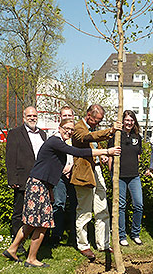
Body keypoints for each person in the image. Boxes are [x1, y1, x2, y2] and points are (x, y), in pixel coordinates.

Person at [3, 119, 121, 267]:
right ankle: (31, 259)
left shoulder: (58, 143)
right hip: (38, 185)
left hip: (42, 184)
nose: (69, 131)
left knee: (31, 223)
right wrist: (106, 151)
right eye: (66, 128)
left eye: (71, 130)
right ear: (59, 128)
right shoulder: (55, 141)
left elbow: (49, 167)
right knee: (42, 224)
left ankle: (12, 249)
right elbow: (78, 152)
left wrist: (50, 189)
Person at [70, 104, 122, 261]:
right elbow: (87, 138)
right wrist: (110, 131)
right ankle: (83, 245)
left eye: (100, 121)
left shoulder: (93, 129)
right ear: (88, 115)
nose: (97, 124)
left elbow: (95, 143)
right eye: (96, 120)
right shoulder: (78, 128)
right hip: (84, 174)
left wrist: (102, 156)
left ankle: (103, 243)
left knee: (102, 208)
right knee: (84, 211)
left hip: (97, 170)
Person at [6, 106, 46, 255]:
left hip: (40, 179)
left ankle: (37, 242)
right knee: (19, 212)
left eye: (34, 116)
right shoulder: (15, 133)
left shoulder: (42, 134)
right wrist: (12, 179)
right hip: (22, 179)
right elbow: (10, 158)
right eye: (29, 116)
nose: (32, 118)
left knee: (37, 212)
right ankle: (17, 244)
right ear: (24, 117)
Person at [108, 110, 144, 246]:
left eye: (131, 120)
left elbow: (138, 155)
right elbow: (110, 155)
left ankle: (135, 233)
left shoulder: (137, 136)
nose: (129, 123)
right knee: (121, 206)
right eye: (127, 120)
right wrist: (112, 174)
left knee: (139, 205)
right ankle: (121, 235)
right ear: (122, 121)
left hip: (134, 176)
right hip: (119, 176)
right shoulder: (116, 135)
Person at [50, 106, 77, 247]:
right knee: (59, 204)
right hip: (60, 175)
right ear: (60, 117)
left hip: (74, 174)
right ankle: (56, 235)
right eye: (64, 115)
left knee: (74, 204)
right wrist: (62, 170)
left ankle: (74, 235)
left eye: (69, 115)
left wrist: (72, 167)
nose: (67, 117)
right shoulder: (55, 135)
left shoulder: (75, 135)